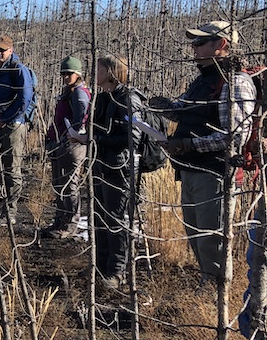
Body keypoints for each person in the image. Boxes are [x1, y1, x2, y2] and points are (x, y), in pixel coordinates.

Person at [151, 21, 256, 285]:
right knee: (196, 236)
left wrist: (188, 144)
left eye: (200, 43)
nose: (193, 48)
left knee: (212, 240)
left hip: (214, 174)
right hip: (191, 171)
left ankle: (216, 297)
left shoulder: (235, 83)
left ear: (221, 45)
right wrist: (163, 107)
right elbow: (185, 110)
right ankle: (207, 287)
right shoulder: (204, 80)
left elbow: (233, 137)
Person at [69, 55, 142, 288]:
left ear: (111, 72)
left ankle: (116, 271)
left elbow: (134, 137)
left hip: (119, 168)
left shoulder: (128, 98)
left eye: (99, 69)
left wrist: (94, 138)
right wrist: (85, 136)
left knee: (115, 221)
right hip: (99, 165)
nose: (94, 72)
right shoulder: (101, 98)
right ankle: (100, 267)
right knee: (98, 218)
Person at [0, 35, 34, 221]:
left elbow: (25, 99)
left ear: (11, 51)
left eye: (2, 50)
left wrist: (5, 119)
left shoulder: (18, 70)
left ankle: (9, 212)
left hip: (13, 125)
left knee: (11, 169)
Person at [41, 56, 91, 239]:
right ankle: (59, 221)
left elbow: (81, 120)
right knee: (59, 185)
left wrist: (70, 138)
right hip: (59, 145)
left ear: (77, 74)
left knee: (70, 186)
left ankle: (70, 226)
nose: (65, 77)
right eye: (63, 73)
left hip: (72, 147)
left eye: (69, 73)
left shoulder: (79, 93)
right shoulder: (68, 92)